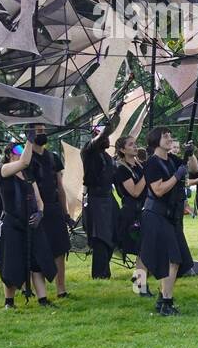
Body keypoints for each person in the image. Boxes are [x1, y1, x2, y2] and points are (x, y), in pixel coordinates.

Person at [0, 140, 58, 308]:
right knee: (12, 263)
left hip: (31, 225)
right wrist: (31, 139)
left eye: (24, 148)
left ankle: (43, 300)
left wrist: (40, 213)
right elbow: (24, 161)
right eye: (18, 149)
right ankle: (9, 302)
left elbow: (39, 200)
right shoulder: (3, 170)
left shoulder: (29, 175)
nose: (23, 151)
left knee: (38, 262)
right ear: (9, 154)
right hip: (12, 224)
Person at [141, 128, 194, 315]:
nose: (170, 139)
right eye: (165, 136)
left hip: (172, 217)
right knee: (173, 259)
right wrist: (176, 176)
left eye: (171, 135)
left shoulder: (172, 160)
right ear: (156, 141)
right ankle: (166, 303)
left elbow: (194, 170)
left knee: (183, 261)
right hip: (156, 216)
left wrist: (190, 154)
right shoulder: (152, 164)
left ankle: (163, 296)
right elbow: (159, 190)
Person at [28, 124, 71, 297]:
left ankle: (61, 289)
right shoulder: (25, 160)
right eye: (39, 130)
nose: (43, 133)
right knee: (37, 250)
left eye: (44, 130)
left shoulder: (53, 157)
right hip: (34, 210)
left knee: (59, 249)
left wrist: (65, 212)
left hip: (54, 210)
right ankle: (36, 290)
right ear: (30, 133)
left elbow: (60, 187)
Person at [80, 114, 122, 279]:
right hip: (95, 199)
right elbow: (102, 136)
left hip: (108, 198)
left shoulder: (107, 157)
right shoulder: (88, 151)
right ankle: (99, 274)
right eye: (103, 134)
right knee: (100, 237)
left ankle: (105, 271)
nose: (107, 138)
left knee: (112, 235)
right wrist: (115, 115)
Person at [112, 135, 148, 295]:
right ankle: (140, 285)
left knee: (144, 249)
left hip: (143, 210)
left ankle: (138, 279)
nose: (135, 147)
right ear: (122, 150)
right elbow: (134, 191)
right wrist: (148, 175)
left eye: (135, 144)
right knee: (142, 249)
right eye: (131, 144)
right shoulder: (121, 169)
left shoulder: (138, 166)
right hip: (131, 213)